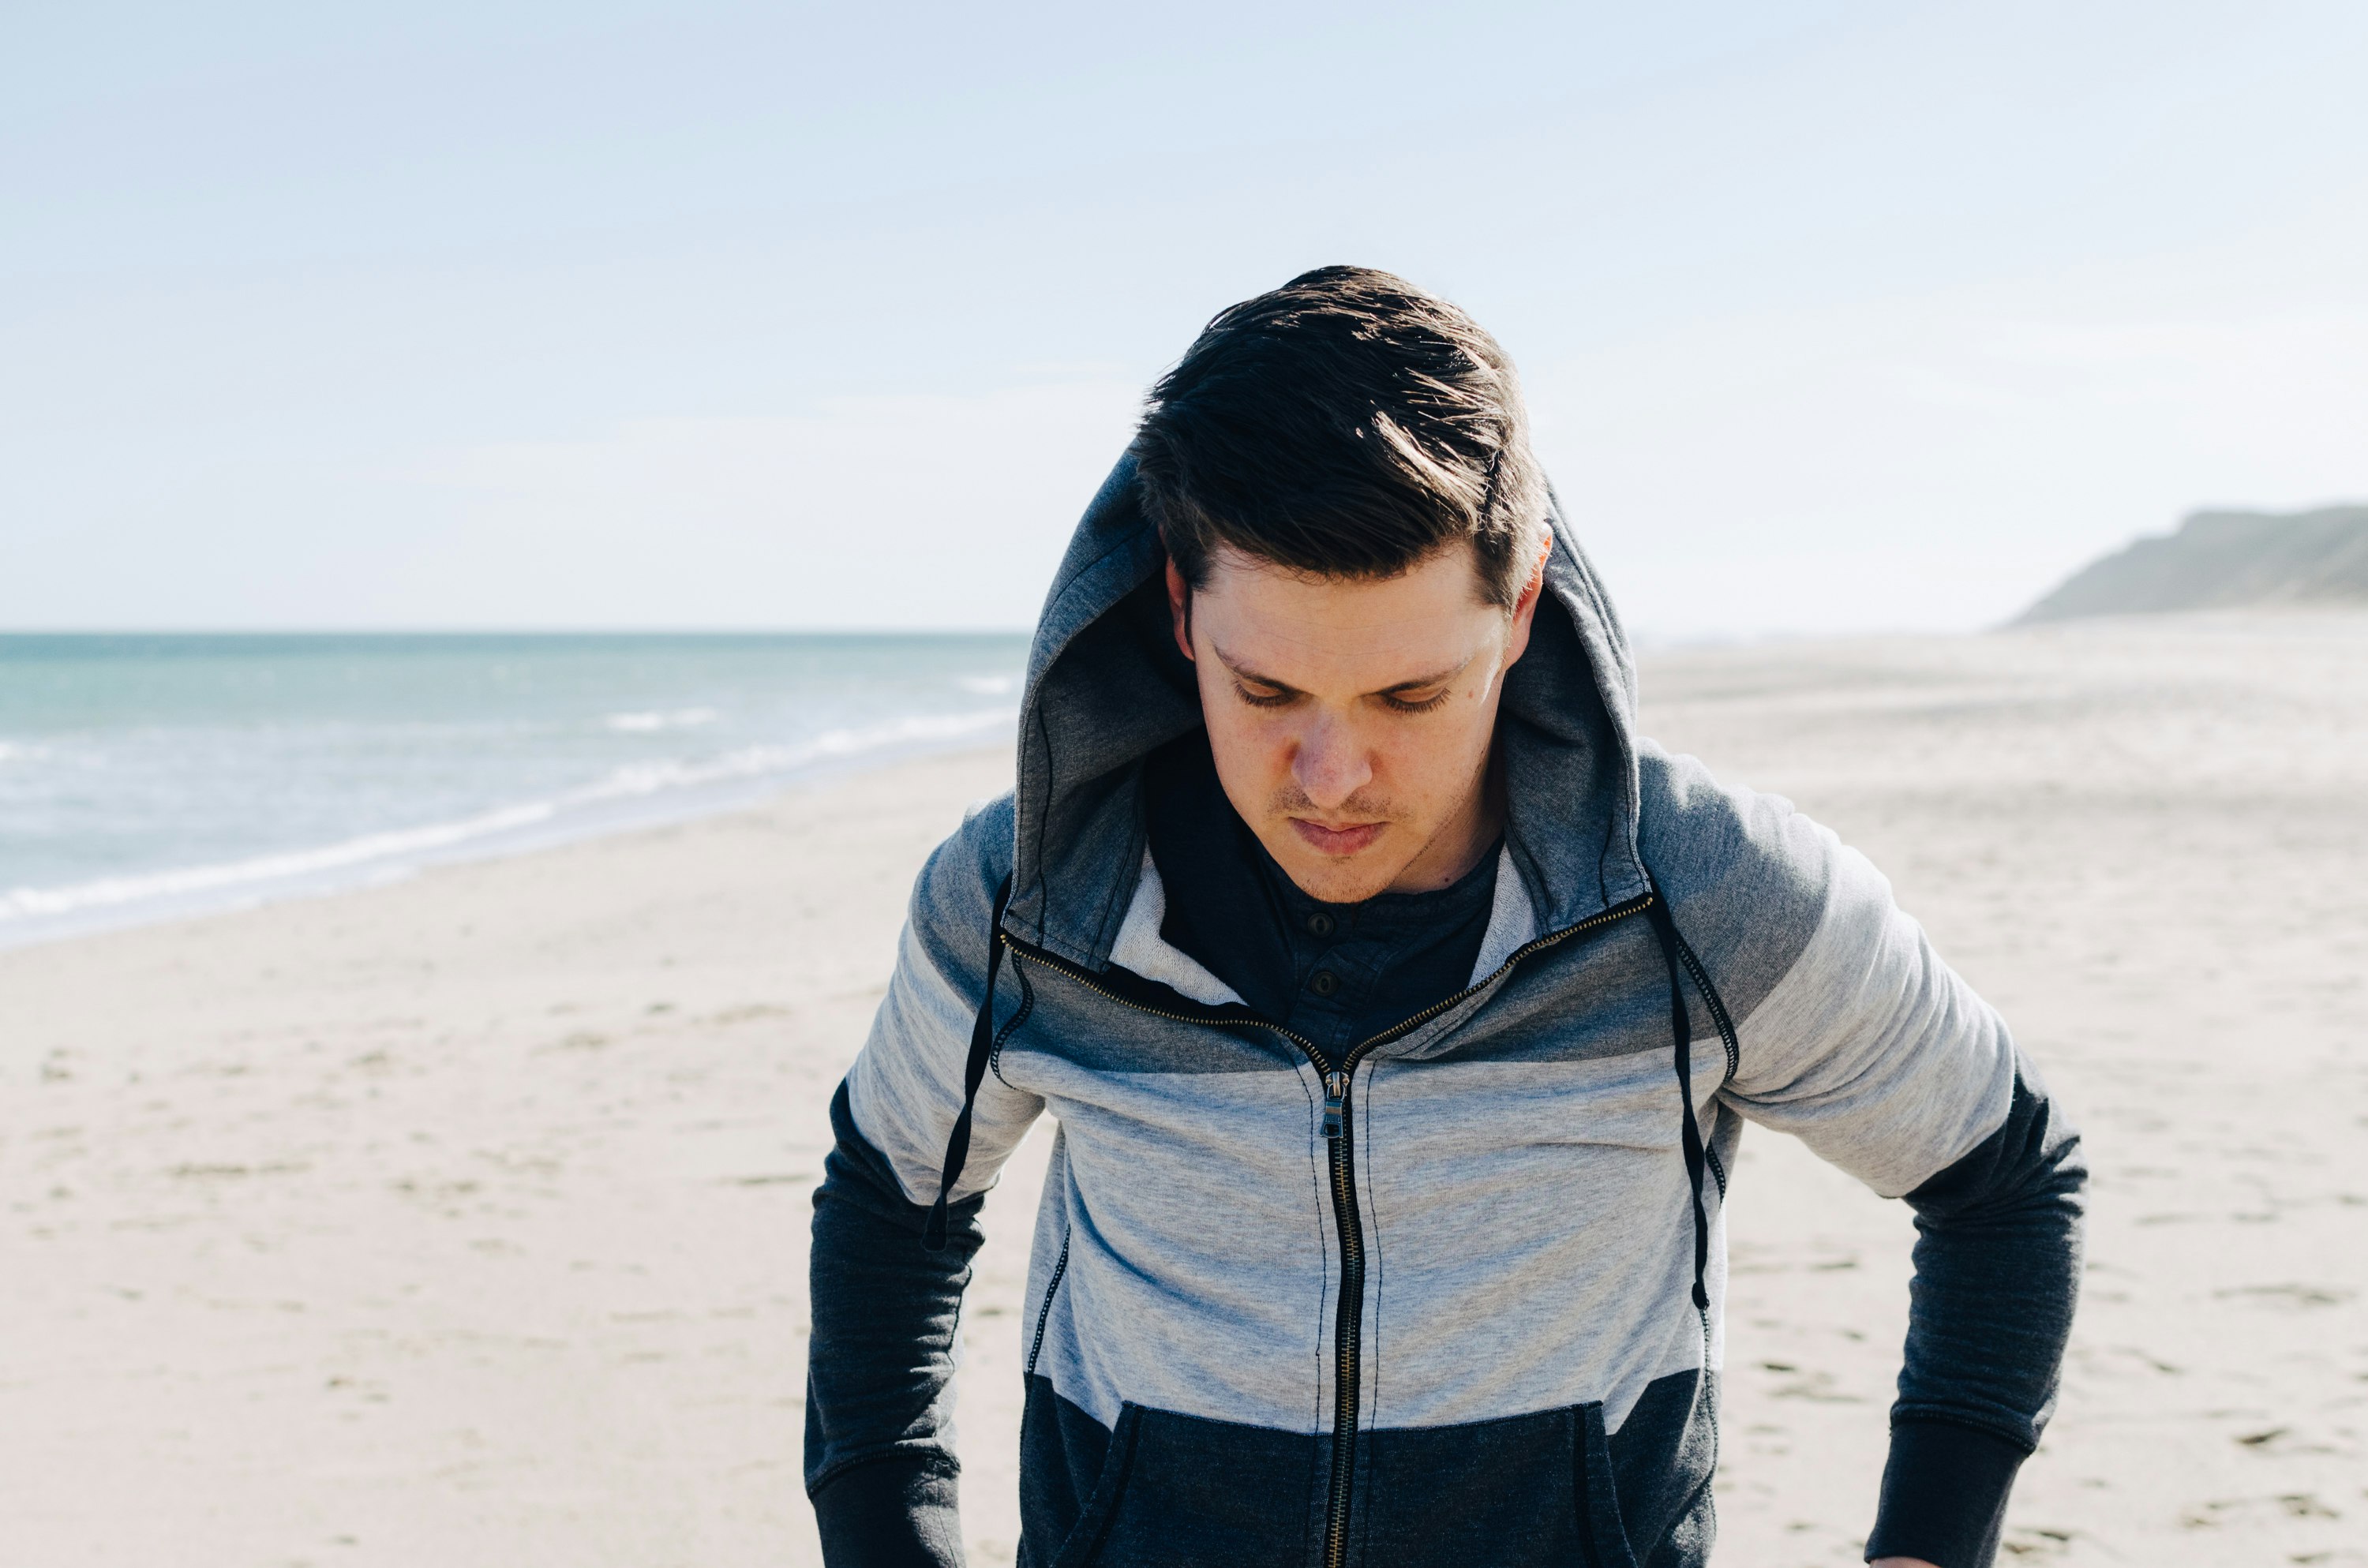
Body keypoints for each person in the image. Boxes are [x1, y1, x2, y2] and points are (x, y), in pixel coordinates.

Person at [803, 266, 2085, 1568]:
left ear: (1520, 606)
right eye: (1267, 690)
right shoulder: (1027, 908)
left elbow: (2003, 1175)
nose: (1332, 775)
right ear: (1182, 608)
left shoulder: (1708, 896)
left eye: (1410, 697)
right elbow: (890, 1197)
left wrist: (1928, 1548)